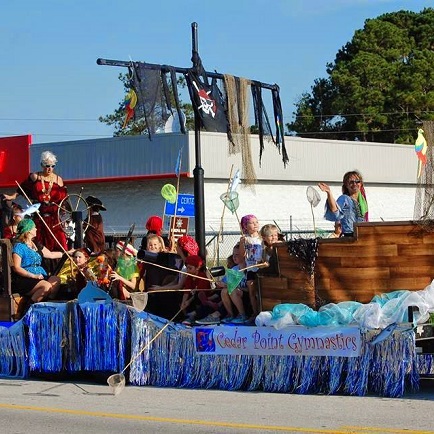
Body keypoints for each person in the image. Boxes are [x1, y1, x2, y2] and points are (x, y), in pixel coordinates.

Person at [4, 150, 68, 251]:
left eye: (52, 166)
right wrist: (13, 196)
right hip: (39, 216)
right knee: (38, 242)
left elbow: (64, 199)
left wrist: (64, 213)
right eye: (47, 166)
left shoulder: (58, 180)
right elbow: (22, 188)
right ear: (42, 165)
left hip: (54, 218)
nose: (50, 168)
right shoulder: (35, 177)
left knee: (60, 243)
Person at [11, 219, 63, 305]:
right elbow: (17, 268)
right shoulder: (19, 246)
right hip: (25, 278)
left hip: (39, 276)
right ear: (28, 231)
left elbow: (51, 254)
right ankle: (28, 309)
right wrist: (33, 276)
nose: (36, 229)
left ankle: (46, 304)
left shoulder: (35, 244)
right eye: (34, 227)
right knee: (46, 286)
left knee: (55, 280)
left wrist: (66, 253)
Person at [318, 170, 368, 237]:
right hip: (351, 236)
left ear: (361, 183)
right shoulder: (344, 198)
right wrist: (329, 192)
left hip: (363, 235)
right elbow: (335, 210)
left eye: (357, 181)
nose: (355, 184)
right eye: (351, 182)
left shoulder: (362, 201)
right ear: (346, 185)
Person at [180, 255, 223, 326]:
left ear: (197, 268)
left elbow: (200, 293)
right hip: (193, 297)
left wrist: (188, 301)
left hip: (203, 298)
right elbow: (186, 292)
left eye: (190, 268)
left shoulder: (202, 276)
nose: (187, 270)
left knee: (198, 295)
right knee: (181, 296)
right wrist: (183, 302)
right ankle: (186, 316)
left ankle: (193, 316)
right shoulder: (189, 277)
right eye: (187, 268)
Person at [239, 214, 263, 319]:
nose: (255, 224)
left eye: (256, 222)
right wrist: (242, 243)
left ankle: (263, 310)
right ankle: (255, 312)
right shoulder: (245, 239)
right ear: (245, 226)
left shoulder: (261, 237)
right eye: (251, 223)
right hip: (250, 269)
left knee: (261, 291)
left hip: (261, 267)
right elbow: (242, 255)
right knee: (252, 291)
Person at [219, 243, 249, 324]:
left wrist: (230, 286)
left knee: (232, 290)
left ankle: (243, 315)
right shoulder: (234, 269)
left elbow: (251, 289)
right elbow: (226, 283)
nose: (234, 257)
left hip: (247, 296)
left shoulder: (250, 269)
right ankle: (230, 314)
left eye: (237, 254)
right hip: (236, 295)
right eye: (233, 254)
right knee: (224, 291)